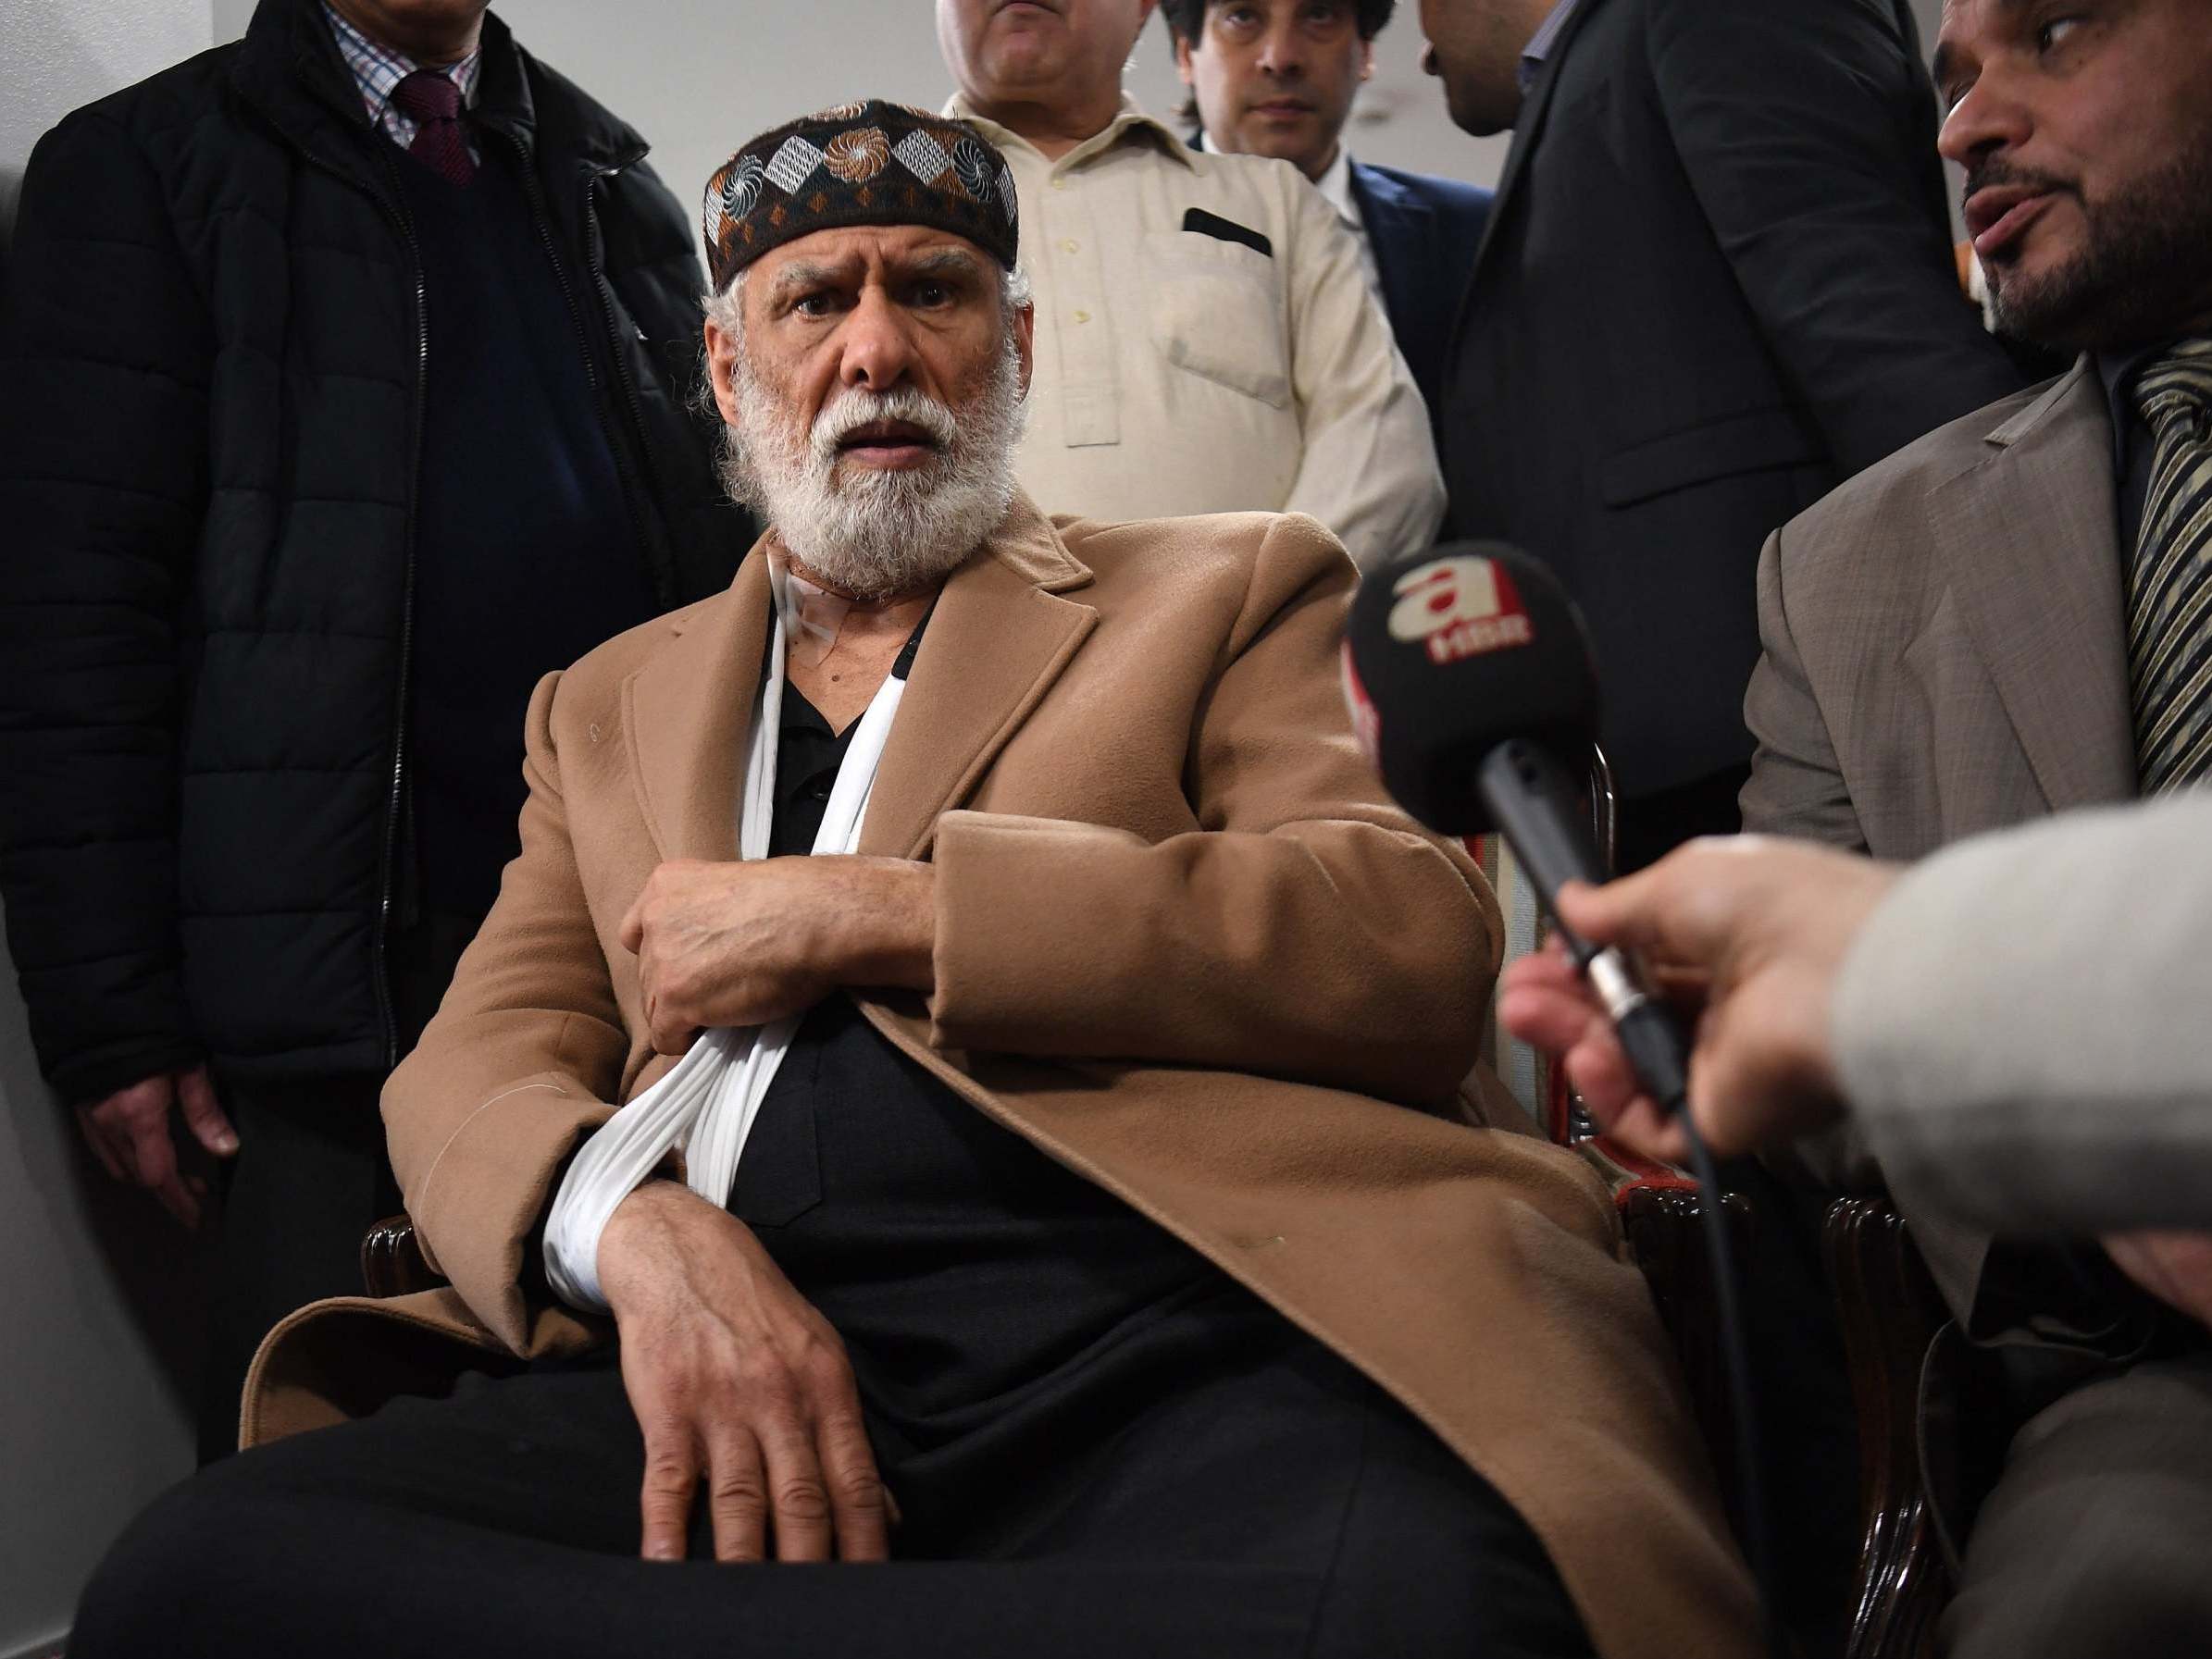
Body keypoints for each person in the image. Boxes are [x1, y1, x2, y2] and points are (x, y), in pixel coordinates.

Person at [69, 99, 1759, 1659]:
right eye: (813, 305)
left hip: (1200, 1332)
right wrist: (634, 1232)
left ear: (1014, 347)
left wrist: (887, 911)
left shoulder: (1231, 589)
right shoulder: (599, 707)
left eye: (934, 292)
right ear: (728, 381)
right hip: (732, 1360)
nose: (879, 346)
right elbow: (473, 1062)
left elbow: (1400, 939)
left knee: (1428, 1612)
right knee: (182, 1583)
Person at [0, 0, 743, 1463]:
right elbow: (70, 618)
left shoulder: (614, 182)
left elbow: (707, 590)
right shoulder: (145, 173)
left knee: (599, 1471)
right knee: (328, 1482)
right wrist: (110, 1017)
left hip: (622, 975)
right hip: (334, 1001)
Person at [1733, 0, 2212, 1653]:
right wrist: (2094, 1128)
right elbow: (1810, 1059)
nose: (1961, 128)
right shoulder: (1848, 569)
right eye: (1949, 79)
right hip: (2163, 1394)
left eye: (2055, 32)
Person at [1420, 0, 2032, 869]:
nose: (1419, 44)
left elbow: (1867, 317)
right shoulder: (1598, 63)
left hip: (1764, 736)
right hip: (1667, 750)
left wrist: (2053, 593)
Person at [1496, 805, 2212, 1250]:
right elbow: (1809, 1126)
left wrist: (1857, 964)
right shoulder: (1823, 580)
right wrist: (1816, 1029)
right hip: (2097, 1348)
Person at [937, 0, 1444, 568]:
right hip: (964, 654)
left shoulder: (1277, 203)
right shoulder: (861, 223)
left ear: (1142, 9)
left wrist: (1269, 621)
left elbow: (1383, 447)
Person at [1162, 0, 1492, 422]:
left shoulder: (1475, 235)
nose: (1280, 59)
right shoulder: (1110, 234)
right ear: (1186, 52)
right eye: (1243, 17)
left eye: (1319, 15)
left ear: (1366, 51)